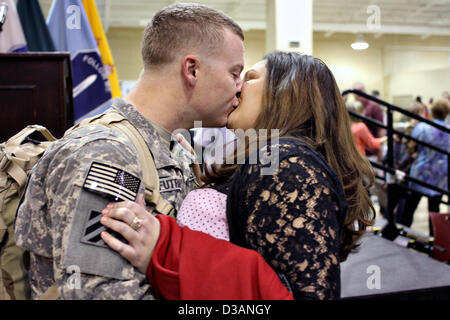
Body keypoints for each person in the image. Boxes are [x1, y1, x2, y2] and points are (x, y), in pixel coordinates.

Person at [14, 3, 246, 300]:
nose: (239, 88)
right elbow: (98, 294)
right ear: (192, 70)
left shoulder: (176, 149)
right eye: (234, 73)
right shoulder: (105, 153)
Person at [100, 52, 377, 300]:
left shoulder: (288, 163)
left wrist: (168, 250)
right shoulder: (269, 159)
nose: (237, 86)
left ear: (287, 93)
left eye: (250, 77)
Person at [400, 99, 449, 233]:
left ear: (431, 112)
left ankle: (402, 234)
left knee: (410, 207)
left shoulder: (422, 127)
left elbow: (412, 145)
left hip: (421, 172)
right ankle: (435, 242)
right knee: (435, 209)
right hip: (440, 175)